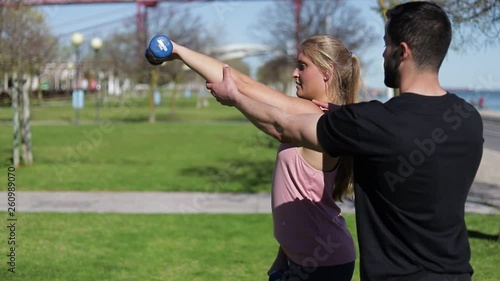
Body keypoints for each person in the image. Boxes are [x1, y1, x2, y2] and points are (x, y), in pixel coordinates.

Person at [207, 2, 484, 281]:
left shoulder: (374, 121)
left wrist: (235, 98)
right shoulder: (468, 119)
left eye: (386, 45)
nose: (382, 54)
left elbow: (282, 126)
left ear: (402, 51)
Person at [166, 35, 360, 280]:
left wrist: (178, 50)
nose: (294, 73)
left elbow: (242, 85)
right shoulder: (325, 116)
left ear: (327, 72)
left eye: (302, 66)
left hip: (321, 265)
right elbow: (304, 198)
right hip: (306, 258)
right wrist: (283, 257)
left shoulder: (316, 115)